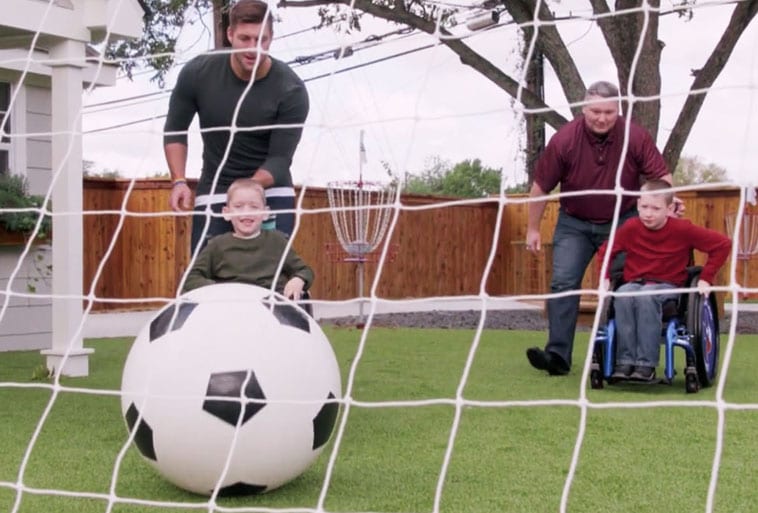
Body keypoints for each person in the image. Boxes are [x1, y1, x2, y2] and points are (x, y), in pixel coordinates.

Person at [525, 81, 675, 376]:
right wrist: (533, 228)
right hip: (574, 224)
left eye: (609, 112)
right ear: (584, 109)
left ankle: (624, 358)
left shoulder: (635, 136)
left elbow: (662, 177)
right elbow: (541, 187)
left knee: (627, 285)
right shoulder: (564, 140)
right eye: (596, 111)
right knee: (562, 284)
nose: (602, 118)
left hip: (624, 221)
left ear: (618, 110)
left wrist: (668, 203)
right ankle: (557, 357)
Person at [164, 0, 309, 251]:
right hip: (216, 189)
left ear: (271, 38)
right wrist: (178, 181)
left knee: (274, 279)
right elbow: (175, 129)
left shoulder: (291, 89)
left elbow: (279, 159)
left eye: (261, 40)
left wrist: (244, 198)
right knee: (205, 278)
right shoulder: (198, 72)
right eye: (245, 38)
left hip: (270, 193)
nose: (253, 48)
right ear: (230, 35)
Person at [596, 180, 731, 381]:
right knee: (623, 294)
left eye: (655, 208)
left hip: (669, 286)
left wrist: (706, 278)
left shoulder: (682, 229)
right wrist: (604, 277)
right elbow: (605, 251)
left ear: (669, 209)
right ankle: (624, 361)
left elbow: (722, 244)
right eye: (644, 207)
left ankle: (645, 365)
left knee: (645, 296)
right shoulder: (631, 227)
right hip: (635, 282)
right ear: (638, 204)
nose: (648, 213)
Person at [182, 179, 314, 298]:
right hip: (230, 305)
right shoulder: (217, 245)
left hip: (271, 306)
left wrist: (298, 280)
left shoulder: (277, 241)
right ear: (226, 213)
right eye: (238, 206)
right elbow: (190, 278)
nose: (247, 212)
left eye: (254, 207)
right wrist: (219, 289)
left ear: (266, 213)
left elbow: (305, 270)